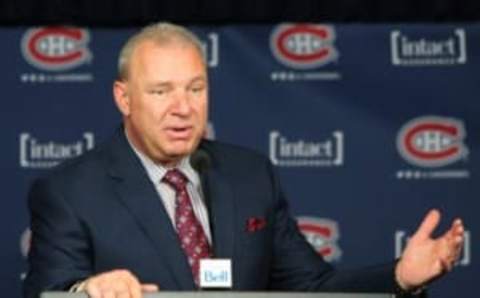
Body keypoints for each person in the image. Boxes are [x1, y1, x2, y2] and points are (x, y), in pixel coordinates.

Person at [24, 22, 465, 298]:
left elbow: (311, 288)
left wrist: (400, 278)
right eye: (161, 91)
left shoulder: (250, 175)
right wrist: (86, 292)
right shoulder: (70, 191)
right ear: (124, 97)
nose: (183, 107)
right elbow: (48, 290)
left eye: (195, 89)